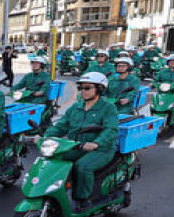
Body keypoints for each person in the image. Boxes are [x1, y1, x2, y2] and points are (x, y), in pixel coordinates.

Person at [41, 72, 119, 209]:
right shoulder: (75, 107)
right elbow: (61, 126)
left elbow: (111, 130)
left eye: (87, 88)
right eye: (81, 88)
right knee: (53, 158)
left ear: (99, 89)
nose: (83, 91)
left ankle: (84, 199)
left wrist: (96, 143)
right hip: (76, 146)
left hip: (102, 149)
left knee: (83, 167)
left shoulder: (108, 108)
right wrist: (45, 137)